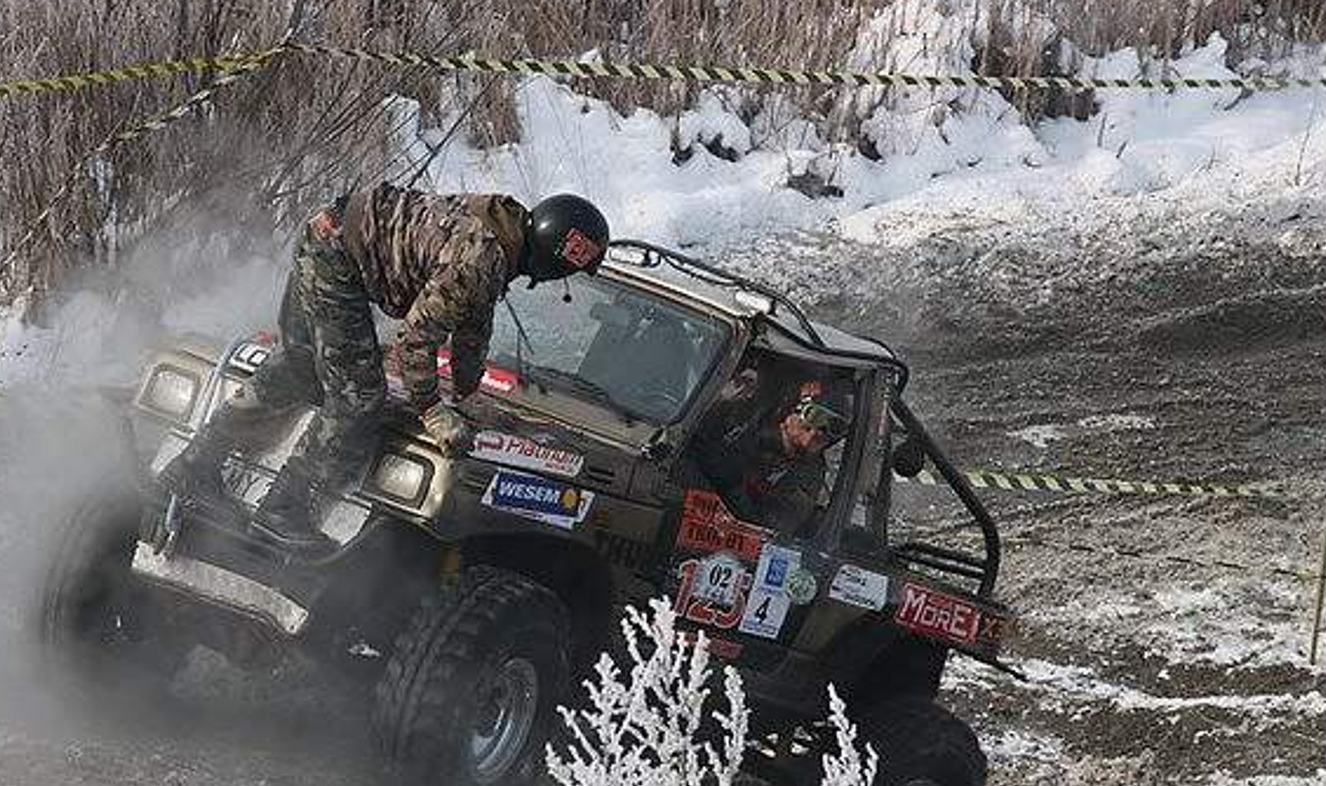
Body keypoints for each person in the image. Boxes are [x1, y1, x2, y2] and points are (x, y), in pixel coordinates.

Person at [161, 182, 610, 551]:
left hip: (324, 232)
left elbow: (474, 317)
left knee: (299, 367)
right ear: (555, 260)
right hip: (339, 264)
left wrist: (468, 387)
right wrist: (432, 410)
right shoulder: (481, 260)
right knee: (359, 398)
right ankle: (285, 508)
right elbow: (415, 339)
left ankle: (194, 465)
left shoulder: (497, 223)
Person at [687, 365, 851, 534]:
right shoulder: (749, 416)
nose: (817, 430)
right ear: (794, 410)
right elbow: (692, 431)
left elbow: (773, 525)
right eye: (815, 415)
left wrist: (733, 488)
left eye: (833, 427)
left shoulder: (808, 476)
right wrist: (721, 401)